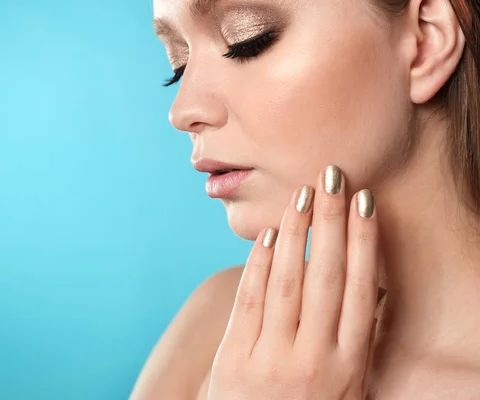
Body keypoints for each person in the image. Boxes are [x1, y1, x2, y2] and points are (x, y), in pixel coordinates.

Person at [131, 0, 480, 398]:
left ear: (426, 41)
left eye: (247, 40)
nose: (183, 111)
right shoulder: (220, 325)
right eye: (179, 64)